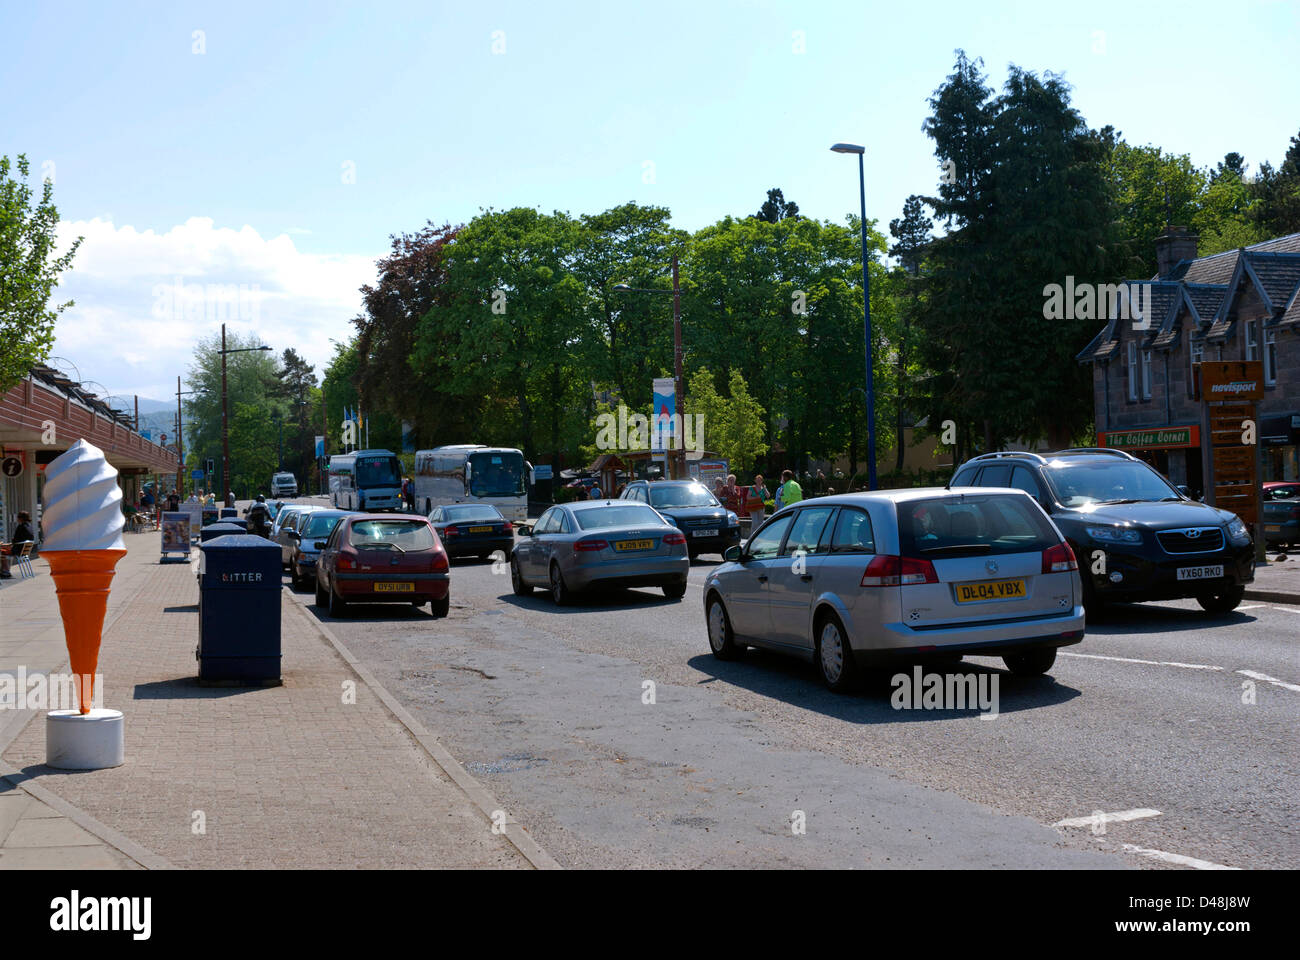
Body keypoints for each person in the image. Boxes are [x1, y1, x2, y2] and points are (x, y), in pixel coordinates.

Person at [1, 511, 36, 579]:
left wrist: (9, 544)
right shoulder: (29, 526)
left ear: (20, 518)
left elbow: (15, 540)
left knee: (2, 551)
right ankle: (5, 571)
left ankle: (5, 571)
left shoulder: (21, 527)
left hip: (18, 549)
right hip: (24, 550)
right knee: (5, 550)